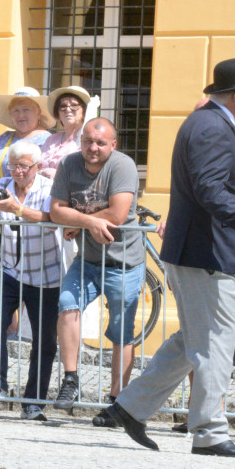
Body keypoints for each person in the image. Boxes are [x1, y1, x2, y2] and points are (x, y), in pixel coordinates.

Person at [107, 57, 235, 459]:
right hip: (206, 251)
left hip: (200, 250)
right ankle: (209, 432)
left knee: (193, 340)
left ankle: (131, 407)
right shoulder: (211, 128)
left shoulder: (209, 124)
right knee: (216, 341)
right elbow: (209, 190)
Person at [47, 118, 145, 413]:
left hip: (124, 262)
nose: (93, 147)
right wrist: (88, 221)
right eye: (88, 141)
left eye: (101, 143)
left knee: (121, 331)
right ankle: (71, 379)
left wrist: (75, 221)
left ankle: (118, 401)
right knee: (67, 304)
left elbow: (116, 214)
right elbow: (55, 211)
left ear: (112, 145)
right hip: (87, 260)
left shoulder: (122, 165)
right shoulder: (68, 165)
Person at [0, 140, 62, 422]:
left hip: (47, 274)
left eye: (24, 166)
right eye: (14, 166)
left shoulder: (49, 189)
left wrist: (16, 209)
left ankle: (33, 403)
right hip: (9, 269)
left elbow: (53, 218)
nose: (19, 172)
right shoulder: (0, 186)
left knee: (45, 341)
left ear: (38, 166)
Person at [0, 88, 55, 291]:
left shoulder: (48, 140)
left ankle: (18, 324)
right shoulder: (4, 138)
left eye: (26, 110)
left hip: (23, 224)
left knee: (21, 288)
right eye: (16, 111)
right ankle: (12, 324)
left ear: (39, 112)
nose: (20, 115)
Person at [39, 86, 91, 179]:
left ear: (84, 111)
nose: (68, 109)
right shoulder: (51, 139)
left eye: (74, 105)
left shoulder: (88, 140)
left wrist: (58, 175)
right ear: (57, 112)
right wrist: (43, 172)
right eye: (63, 106)